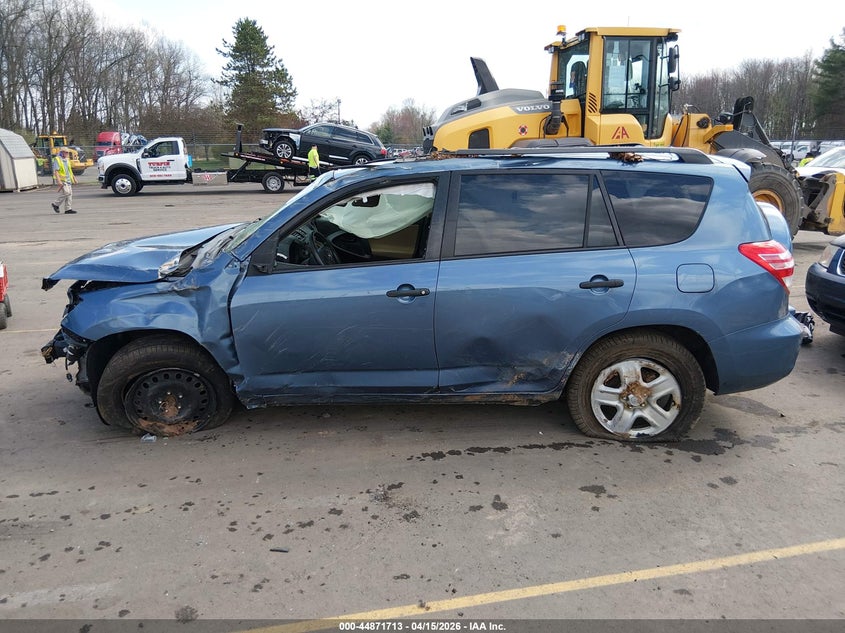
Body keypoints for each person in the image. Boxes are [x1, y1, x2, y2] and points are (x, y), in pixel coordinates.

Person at [51, 147, 77, 214]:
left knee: (69, 194)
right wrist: (59, 181)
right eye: (66, 152)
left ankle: (68, 209)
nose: (67, 154)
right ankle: (56, 204)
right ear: (62, 152)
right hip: (62, 179)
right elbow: (56, 171)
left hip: (68, 179)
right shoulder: (57, 159)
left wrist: (74, 178)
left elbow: (69, 170)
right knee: (66, 192)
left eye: (68, 152)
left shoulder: (67, 160)